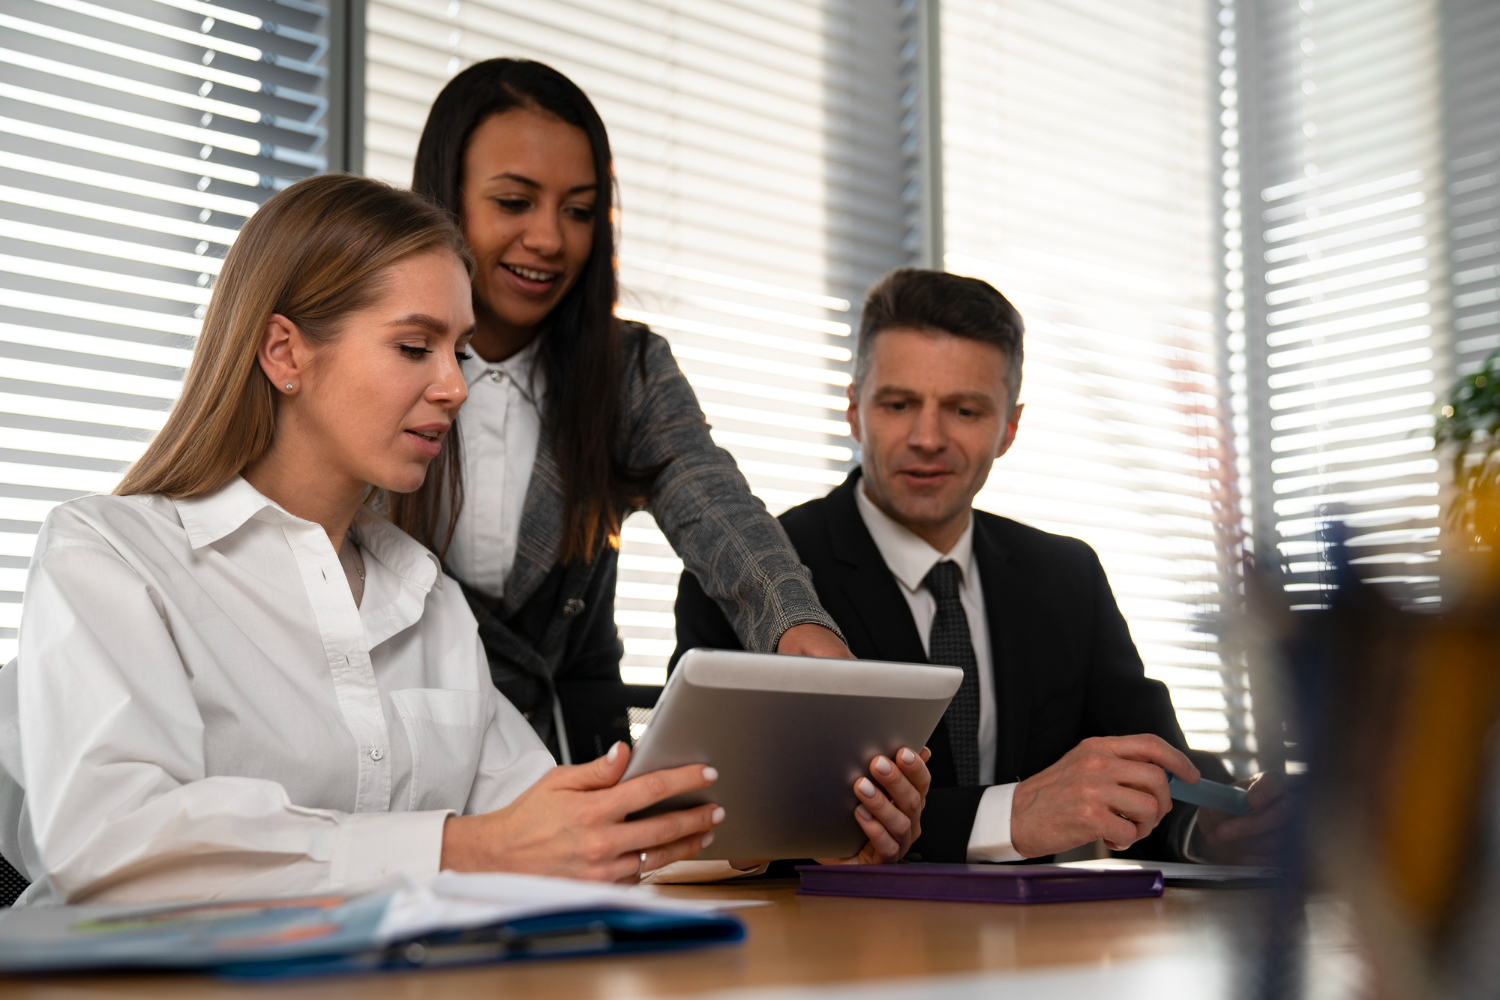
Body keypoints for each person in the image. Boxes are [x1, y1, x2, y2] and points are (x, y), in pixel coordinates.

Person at [0, 176, 929, 904]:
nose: (456, 385)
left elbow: (550, 833)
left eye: (459, 350)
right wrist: (458, 849)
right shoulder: (109, 557)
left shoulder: (427, 602)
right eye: (415, 348)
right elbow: (110, 844)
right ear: (284, 352)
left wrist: (806, 816)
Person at [673, 268, 1289, 865]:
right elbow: (732, 821)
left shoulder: (1066, 575)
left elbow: (1152, 779)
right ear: (854, 410)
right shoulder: (752, 574)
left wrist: (1214, 828)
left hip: (1038, 947)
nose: (928, 437)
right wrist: (1011, 815)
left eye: (965, 410)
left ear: (1010, 427)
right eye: (898, 404)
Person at [405, 59, 851, 763]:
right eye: (515, 203)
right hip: (400, 755)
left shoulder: (627, 370)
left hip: (567, 762)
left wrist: (798, 628)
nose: (550, 239)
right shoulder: (371, 351)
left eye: (579, 211)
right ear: (446, 197)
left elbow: (715, 506)